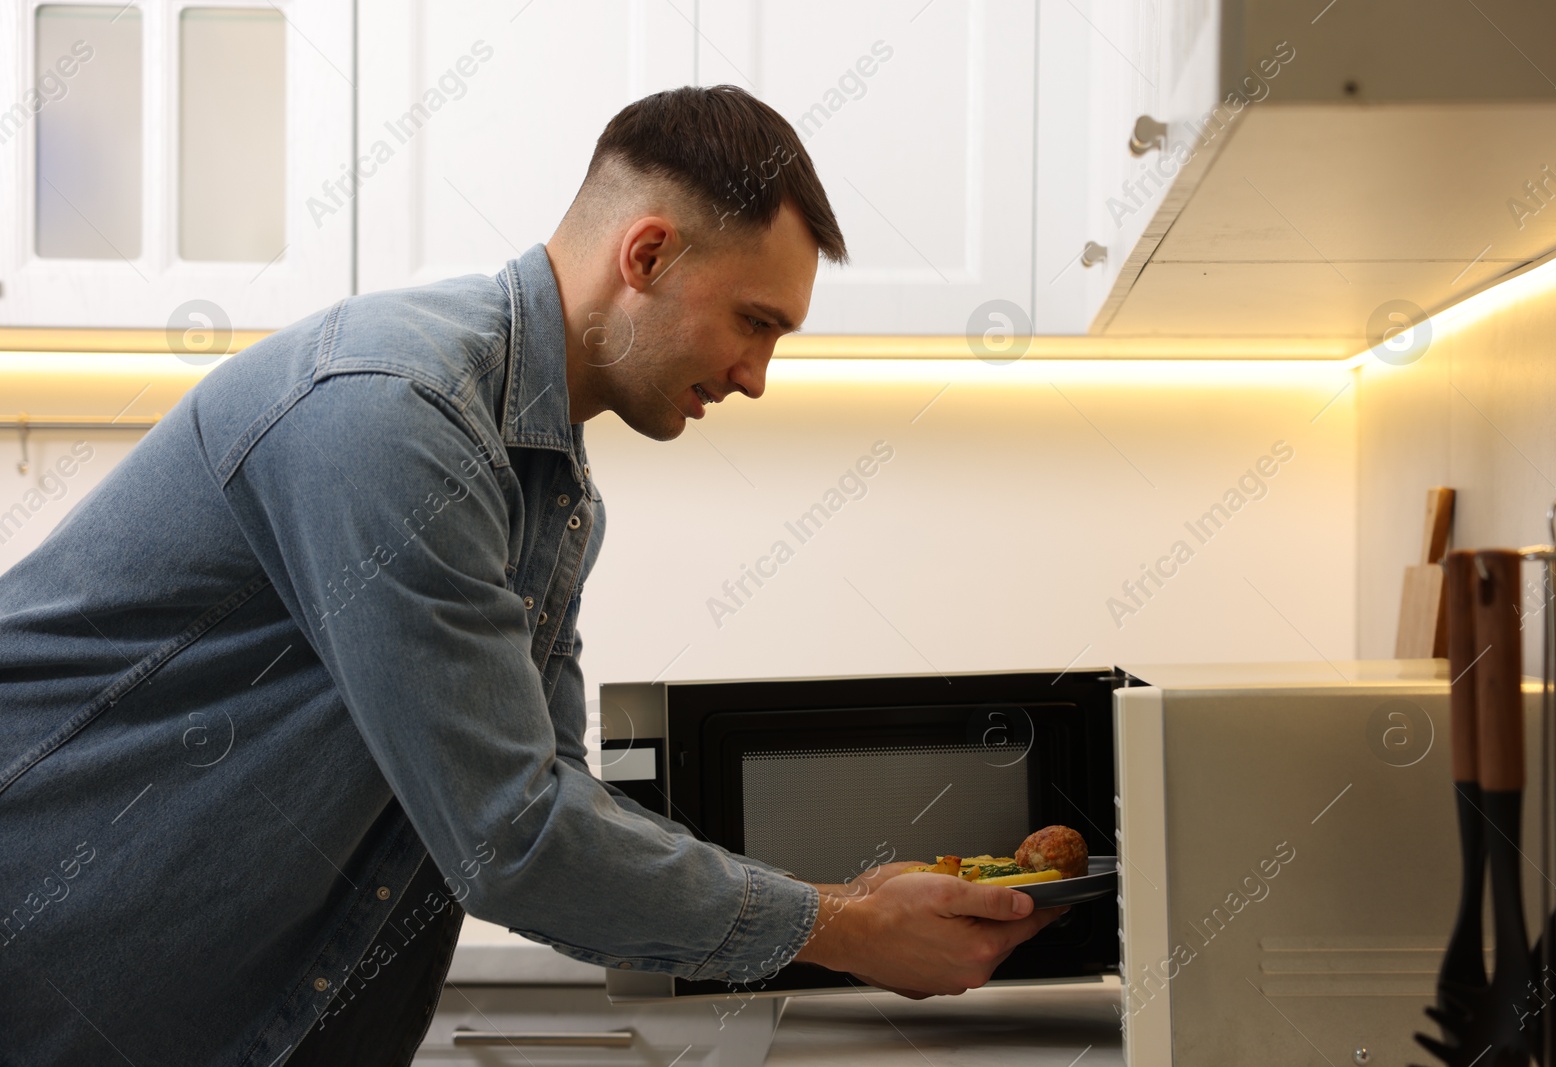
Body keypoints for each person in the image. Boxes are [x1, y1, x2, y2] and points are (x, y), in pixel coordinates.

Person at [0, 85, 1062, 1065]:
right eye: (754, 322)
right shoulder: (391, 411)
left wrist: (844, 905)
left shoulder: (548, 486)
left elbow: (548, 800)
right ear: (645, 254)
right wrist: (842, 927)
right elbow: (513, 837)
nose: (755, 376)